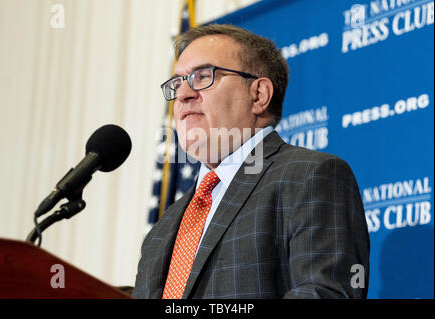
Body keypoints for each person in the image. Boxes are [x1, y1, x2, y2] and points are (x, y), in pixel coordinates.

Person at [133, 24, 370, 299]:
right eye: (177, 83)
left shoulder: (310, 178)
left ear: (258, 95)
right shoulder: (164, 228)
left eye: (202, 76)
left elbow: (325, 293)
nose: (183, 95)